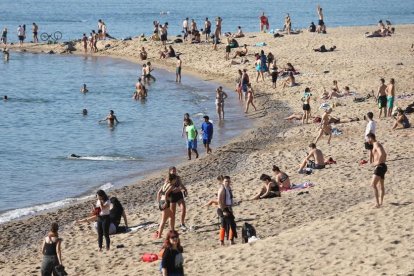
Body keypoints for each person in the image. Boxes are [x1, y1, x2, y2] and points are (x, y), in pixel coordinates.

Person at [366, 133, 387, 208]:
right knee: (380, 185)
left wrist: (377, 163)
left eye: (368, 138)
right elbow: (385, 154)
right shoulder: (375, 145)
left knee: (373, 184)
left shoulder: (376, 144)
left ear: (371, 138)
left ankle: (377, 204)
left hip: (380, 166)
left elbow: (382, 153)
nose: (367, 140)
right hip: (382, 166)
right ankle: (380, 202)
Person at [218, 176, 237, 246]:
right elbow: (219, 201)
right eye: (226, 181)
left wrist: (231, 206)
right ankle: (222, 241)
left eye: (229, 181)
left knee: (232, 224)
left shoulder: (229, 188)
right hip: (222, 209)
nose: (228, 183)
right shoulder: (222, 189)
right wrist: (223, 210)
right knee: (224, 225)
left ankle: (231, 241)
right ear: (223, 182)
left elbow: (230, 198)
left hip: (228, 208)